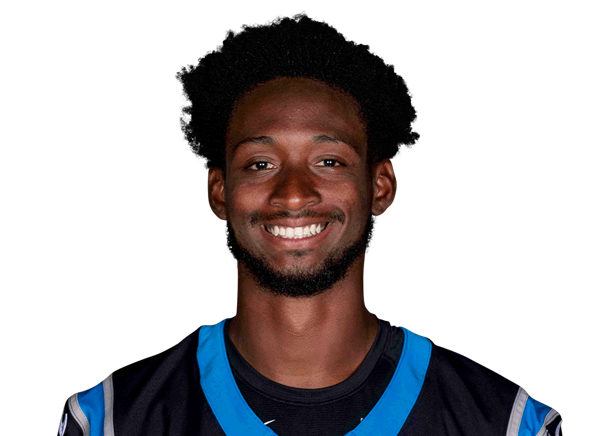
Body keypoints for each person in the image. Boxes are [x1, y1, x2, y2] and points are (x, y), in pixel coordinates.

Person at [57, 12, 563, 436]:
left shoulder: (507, 424)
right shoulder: (108, 422)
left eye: (329, 161)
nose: (294, 193)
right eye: (260, 163)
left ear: (380, 186)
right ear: (219, 191)